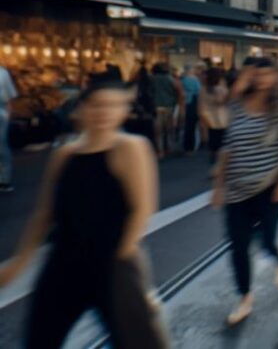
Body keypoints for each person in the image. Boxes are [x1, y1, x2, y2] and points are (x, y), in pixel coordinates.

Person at [0, 79, 167, 348]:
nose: (104, 112)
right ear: (82, 109)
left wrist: (120, 265)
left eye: (113, 105)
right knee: (40, 339)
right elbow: (44, 213)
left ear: (124, 111)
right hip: (64, 262)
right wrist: (19, 263)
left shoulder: (131, 148)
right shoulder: (65, 154)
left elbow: (142, 210)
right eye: (97, 104)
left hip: (112, 263)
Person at [213, 58, 278, 325]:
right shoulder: (238, 105)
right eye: (257, 75)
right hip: (236, 190)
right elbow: (228, 146)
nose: (262, 80)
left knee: (266, 238)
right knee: (238, 245)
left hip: (270, 187)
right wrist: (219, 185)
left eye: (267, 75)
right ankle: (244, 298)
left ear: (276, 77)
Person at [199, 67, 230, 169]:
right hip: (223, 120)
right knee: (223, 146)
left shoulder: (203, 90)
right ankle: (221, 167)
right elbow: (223, 102)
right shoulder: (221, 89)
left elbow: (200, 107)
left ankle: (214, 165)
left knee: (213, 146)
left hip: (209, 120)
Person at [150, 63, 176, 159]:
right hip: (169, 106)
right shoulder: (170, 79)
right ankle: (169, 148)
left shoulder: (152, 79)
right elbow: (176, 90)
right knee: (168, 129)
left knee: (158, 132)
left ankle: (160, 151)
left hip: (156, 107)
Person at [0, 63, 18, 192]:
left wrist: (8, 115)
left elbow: (10, 98)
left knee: (2, 146)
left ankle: (5, 180)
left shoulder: (3, 73)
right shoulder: (3, 73)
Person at [181, 64, 202, 153]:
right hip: (194, 101)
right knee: (193, 126)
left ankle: (187, 146)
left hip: (186, 102)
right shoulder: (195, 80)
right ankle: (192, 146)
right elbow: (199, 91)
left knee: (187, 126)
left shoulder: (183, 80)